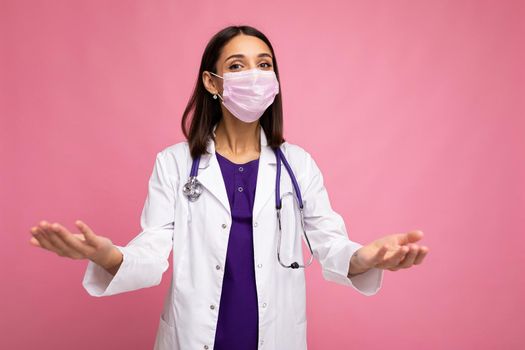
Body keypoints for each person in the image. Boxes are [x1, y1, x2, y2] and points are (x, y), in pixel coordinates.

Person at [29, 25, 429, 350]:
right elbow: (152, 251)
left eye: (264, 64)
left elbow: (332, 247)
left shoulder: (298, 165)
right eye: (237, 66)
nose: (254, 76)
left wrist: (369, 256)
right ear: (212, 82)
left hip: (275, 337)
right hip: (194, 337)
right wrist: (110, 256)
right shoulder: (174, 163)